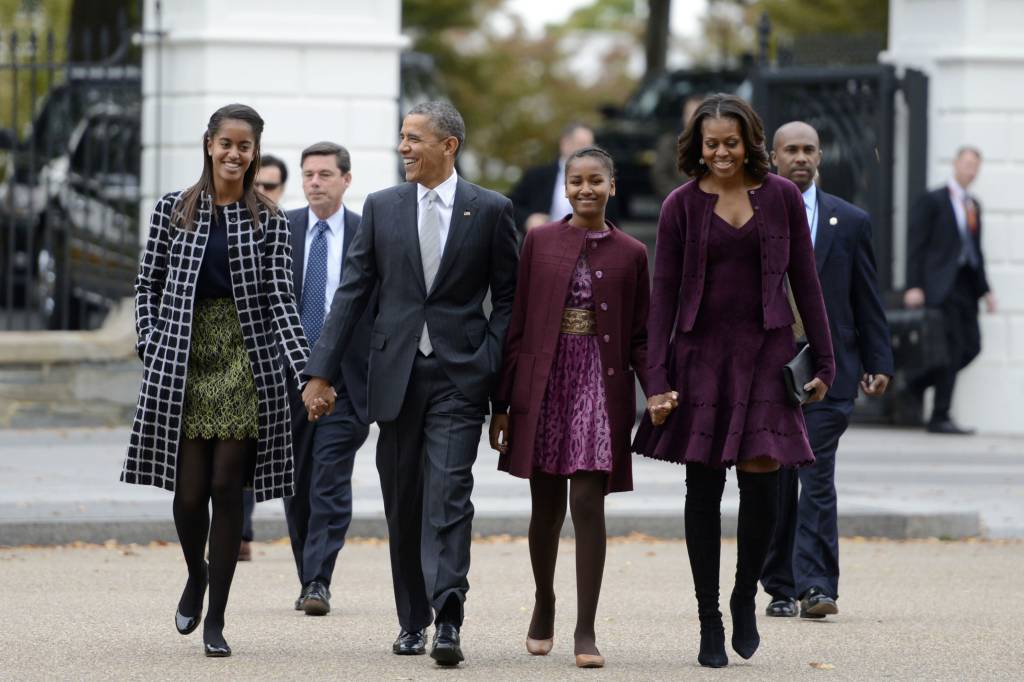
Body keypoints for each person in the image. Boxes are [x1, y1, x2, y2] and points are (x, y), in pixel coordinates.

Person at [301, 101, 518, 667]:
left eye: (414, 138)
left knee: (449, 495)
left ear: (449, 146)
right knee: (403, 502)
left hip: (459, 376)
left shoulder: (490, 210)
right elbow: (352, 292)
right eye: (401, 137)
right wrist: (320, 372)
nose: (403, 147)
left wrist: (491, 367)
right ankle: (412, 619)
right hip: (393, 376)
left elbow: (510, 299)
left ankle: (449, 616)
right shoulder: (382, 207)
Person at [631, 94, 835, 669]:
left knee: (763, 484)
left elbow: (807, 283)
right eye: (710, 143)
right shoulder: (679, 206)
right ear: (697, 147)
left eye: (730, 142)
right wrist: (657, 380)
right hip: (699, 358)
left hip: (767, 356)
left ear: (750, 142)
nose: (721, 153)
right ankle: (708, 618)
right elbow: (662, 295)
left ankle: (746, 595)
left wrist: (824, 360)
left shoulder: (783, 198)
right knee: (703, 490)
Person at [121, 103, 309, 657]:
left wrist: (306, 370)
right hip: (183, 355)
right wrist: (150, 341)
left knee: (228, 487)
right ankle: (196, 576)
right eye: (226, 142)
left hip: (245, 359)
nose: (234, 153)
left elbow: (283, 301)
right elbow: (146, 283)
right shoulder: (172, 210)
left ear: (253, 153)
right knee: (188, 495)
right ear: (209, 144)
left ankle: (217, 618)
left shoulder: (268, 218)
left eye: (244, 146)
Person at [490, 147, 650, 669]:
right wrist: (504, 404)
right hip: (546, 382)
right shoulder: (538, 240)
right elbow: (515, 325)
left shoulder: (631, 252)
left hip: (600, 386)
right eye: (576, 180)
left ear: (612, 185)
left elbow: (643, 336)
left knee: (587, 502)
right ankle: (544, 601)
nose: (585, 189)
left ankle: (586, 627)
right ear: (566, 186)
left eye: (596, 180)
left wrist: (660, 389)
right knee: (546, 507)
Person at [760, 121, 894, 620]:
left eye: (809, 150)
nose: (800, 157)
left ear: (820, 157)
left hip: (830, 370)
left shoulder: (851, 220)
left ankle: (817, 586)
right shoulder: (752, 214)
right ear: (774, 157)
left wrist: (879, 360)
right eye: (790, 150)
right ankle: (778, 584)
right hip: (769, 371)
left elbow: (867, 296)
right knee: (775, 477)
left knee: (815, 473)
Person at [282, 142, 372, 616]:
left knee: (329, 481)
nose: (314, 182)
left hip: (347, 384)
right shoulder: (282, 229)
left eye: (324, 174)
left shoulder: (366, 232)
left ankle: (319, 580)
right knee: (295, 484)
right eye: (308, 174)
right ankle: (307, 574)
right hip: (287, 382)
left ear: (346, 180)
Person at [904, 146, 996, 434]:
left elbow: (975, 251)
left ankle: (914, 385)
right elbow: (916, 246)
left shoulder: (973, 205)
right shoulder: (934, 200)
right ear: (956, 164)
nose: (971, 170)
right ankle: (940, 415)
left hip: (966, 286)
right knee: (951, 350)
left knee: (971, 346)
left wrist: (986, 291)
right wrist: (914, 285)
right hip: (941, 287)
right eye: (967, 163)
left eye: (976, 166)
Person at [236, 153, 289, 562]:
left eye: (270, 186)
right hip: (243, 359)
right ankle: (240, 532)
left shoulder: (282, 228)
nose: (262, 192)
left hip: (287, 357)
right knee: (239, 454)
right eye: (258, 184)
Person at [507, 123, 619, 232]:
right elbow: (509, 206)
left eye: (591, 146)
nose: (587, 152)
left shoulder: (602, 181)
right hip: (543, 244)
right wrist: (527, 219)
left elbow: (613, 224)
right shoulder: (536, 175)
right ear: (564, 144)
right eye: (581, 145)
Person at [651, 94, 706, 201]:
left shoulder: (715, 144)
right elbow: (659, 175)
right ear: (683, 116)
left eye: (697, 114)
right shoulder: (669, 143)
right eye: (689, 113)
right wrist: (681, 197)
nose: (692, 118)